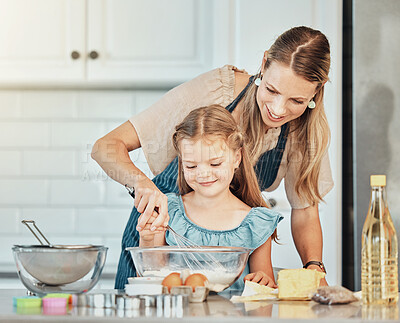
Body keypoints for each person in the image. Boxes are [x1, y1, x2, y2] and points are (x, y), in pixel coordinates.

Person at [91, 26, 334, 289]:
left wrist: (314, 267)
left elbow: (306, 211)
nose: (278, 110)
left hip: (228, 263)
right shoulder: (218, 90)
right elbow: (105, 147)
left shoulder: (306, 132)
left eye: (296, 101)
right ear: (264, 63)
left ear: (316, 91)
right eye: (272, 91)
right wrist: (143, 186)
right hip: (158, 238)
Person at [139, 105, 283, 290]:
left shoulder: (256, 223)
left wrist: (263, 281)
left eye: (215, 163)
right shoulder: (168, 212)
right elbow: (152, 280)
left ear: (237, 157)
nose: (204, 174)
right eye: (191, 166)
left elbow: (266, 289)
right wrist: (148, 239)